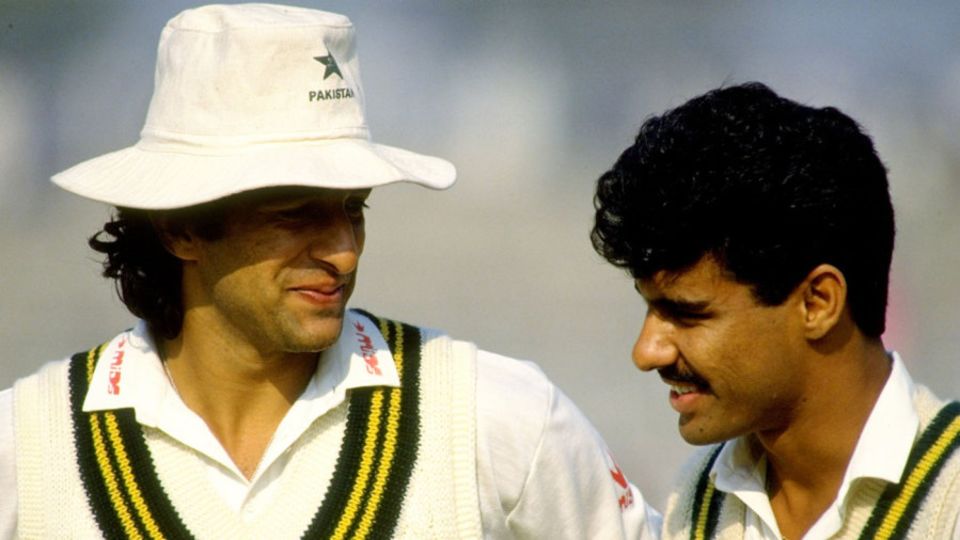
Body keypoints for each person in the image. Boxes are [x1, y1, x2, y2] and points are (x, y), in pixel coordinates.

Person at [0, 4, 661, 539]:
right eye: (294, 214)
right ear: (180, 228)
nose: (343, 251)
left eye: (354, 209)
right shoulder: (28, 450)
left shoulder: (496, 421)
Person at [590, 82, 960, 539]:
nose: (647, 353)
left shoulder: (949, 498)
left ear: (817, 302)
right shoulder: (698, 503)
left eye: (687, 313)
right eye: (651, 310)